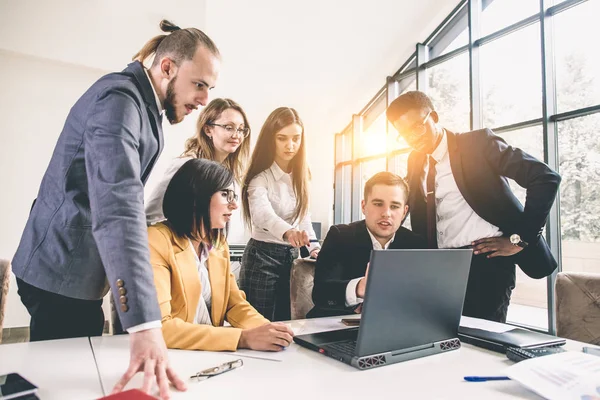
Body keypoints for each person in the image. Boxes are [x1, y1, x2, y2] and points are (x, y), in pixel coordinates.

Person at [11, 20, 221, 398]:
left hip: (78, 272)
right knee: (60, 384)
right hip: (60, 269)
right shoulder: (119, 101)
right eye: (200, 84)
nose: (204, 99)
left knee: (86, 372)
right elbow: (118, 206)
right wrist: (145, 324)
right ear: (168, 67)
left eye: (210, 88)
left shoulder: (144, 106)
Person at [386, 90, 561, 323]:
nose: (413, 138)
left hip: (486, 264)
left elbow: (545, 177)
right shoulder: (415, 160)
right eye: (405, 134)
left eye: (417, 127)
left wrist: (520, 239)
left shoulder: (476, 144)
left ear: (434, 117)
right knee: (443, 339)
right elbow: (414, 210)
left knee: (483, 344)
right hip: (441, 266)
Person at [149, 159, 294, 351]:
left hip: (211, 355)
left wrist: (268, 329)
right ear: (196, 195)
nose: (234, 205)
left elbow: (234, 304)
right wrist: (242, 338)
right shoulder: (156, 240)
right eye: (225, 194)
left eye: (232, 195)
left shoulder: (217, 245)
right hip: (172, 356)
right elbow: (160, 328)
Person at [239, 107, 320, 322]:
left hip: (292, 258)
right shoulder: (260, 178)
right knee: (258, 324)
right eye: (282, 138)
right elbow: (262, 215)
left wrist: (314, 247)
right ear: (271, 140)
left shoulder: (303, 176)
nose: (290, 145)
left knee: (289, 323)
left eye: (296, 138)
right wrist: (288, 233)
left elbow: (304, 216)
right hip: (261, 257)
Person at [309, 172, 426, 318]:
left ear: (404, 212)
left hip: (393, 328)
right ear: (364, 206)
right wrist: (359, 288)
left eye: (395, 206)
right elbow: (320, 294)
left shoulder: (415, 244)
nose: (386, 213)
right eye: (378, 204)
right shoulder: (340, 236)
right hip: (335, 328)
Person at [145, 98, 251, 246]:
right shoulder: (185, 166)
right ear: (208, 129)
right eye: (229, 127)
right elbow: (150, 216)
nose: (236, 135)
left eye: (241, 129)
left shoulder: (229, 173)